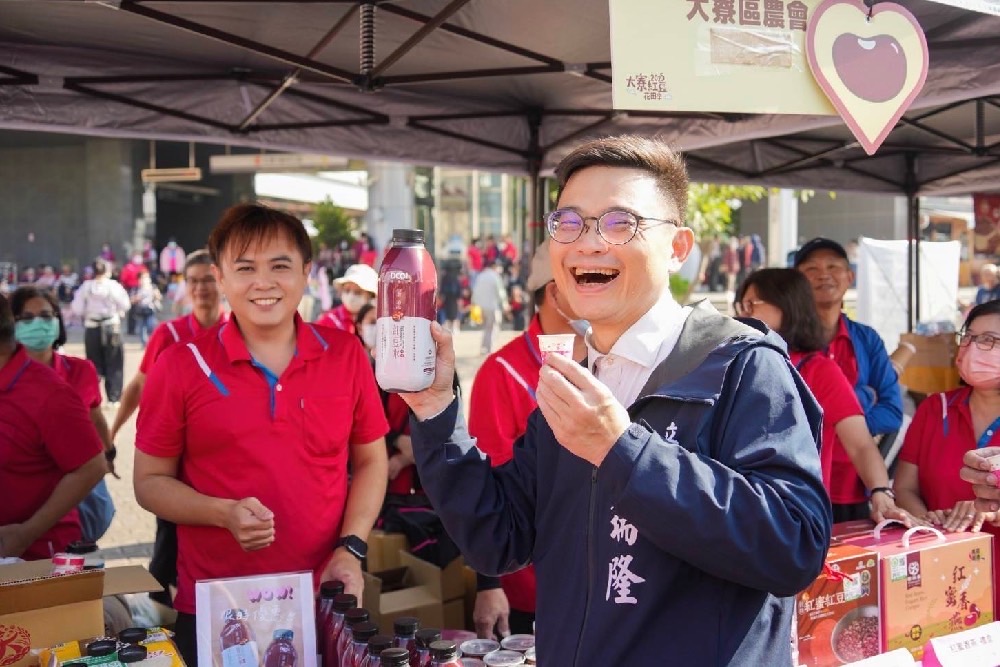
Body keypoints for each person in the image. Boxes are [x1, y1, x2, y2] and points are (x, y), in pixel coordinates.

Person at [400, 136, 831, 665]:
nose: (587, 243)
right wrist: (436, 411)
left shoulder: (741, 365)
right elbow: (499, 538)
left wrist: (622, 450)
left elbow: (794, 546)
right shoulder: (577, 380)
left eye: (619, 222)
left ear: (677, 247)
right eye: (570, 223)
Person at [133, 204, 389, 667]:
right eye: (245, 268)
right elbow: (149, 482)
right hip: (219, 606)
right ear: (220, 277)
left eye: (280, 266)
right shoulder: (180, 366)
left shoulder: (346, 354)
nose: (263, 282)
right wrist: (221, 512)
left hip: (325, 598)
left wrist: (351, 547)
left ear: (307, 273)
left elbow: (372, 461)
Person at [469, 240, 587, 640]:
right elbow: (488, 488)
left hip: (613, 584)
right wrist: (489, 584)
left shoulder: (613, 359)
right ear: (554, 291)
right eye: (587, 279)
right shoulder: (500, 372)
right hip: (533, 591)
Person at [734, 269, 912, 526]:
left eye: (752, 304)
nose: (743, 314)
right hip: (742, 507)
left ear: (787, 305)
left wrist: (881, 491)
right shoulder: (738, 362)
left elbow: (860, 444)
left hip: (795, 514)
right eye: (741, 305)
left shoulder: (819, 371)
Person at [111, 249, 222, 609]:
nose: (202, 288)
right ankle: (160, 617)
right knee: (168, 539)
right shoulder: (169, 333)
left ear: (221, 280)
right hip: (172, 459)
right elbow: (138, 387)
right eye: (194, 281)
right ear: (184, 287)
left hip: (217, 459)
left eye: (208, 279)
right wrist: (110, 434)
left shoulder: (239, 330)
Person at [795, 237, 903, 522]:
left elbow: (893, 412)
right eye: (812, 269)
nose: (824, 275)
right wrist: (863, 398)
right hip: (800, 484)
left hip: (859, 484)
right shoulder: (786, 342)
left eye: (833, 266)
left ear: (849, 277)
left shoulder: (867, 340)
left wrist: (838, 420)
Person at [0, 292, 106, 559]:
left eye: (46, 316)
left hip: (35, 557)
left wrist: (27, 532)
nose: (39, 324)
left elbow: (92, 466)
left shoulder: (49, 393)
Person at [899, 301, 1000, 534]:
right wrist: (927, 520)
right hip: (942, 560)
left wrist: (990, 510)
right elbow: (904, 488)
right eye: (969, 336)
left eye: (988, 339)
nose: (972, 347)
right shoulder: (935, 408)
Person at [71, 258, 130, 405]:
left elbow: (77, 308)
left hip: (92, 326)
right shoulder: (113, 286)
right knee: (114, 363)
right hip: (111, 326)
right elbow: (125, 304)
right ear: (107, 271)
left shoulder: (86, 287)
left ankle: (93, 398)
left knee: (93, 365)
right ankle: (114, 398)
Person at [316, 263, 378, 335]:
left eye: (357, 292)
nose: (351, 296)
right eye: (347, 290)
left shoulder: (377, 322)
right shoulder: (330, 320)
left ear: (370, 296)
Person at [471, 258, 508, 354]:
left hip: (481, 307)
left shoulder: (481, 276)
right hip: (492, 306)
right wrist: (504, 304)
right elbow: (500, 293)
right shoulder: (495, 276)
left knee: (486, 328)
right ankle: (490, 348)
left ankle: (484, 347)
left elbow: (475, 292)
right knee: (492, 328)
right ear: (495, 267)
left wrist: (475, 303)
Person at [131, 271, 162, 347]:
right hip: (140, 311)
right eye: (142, 278)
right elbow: (131, 300)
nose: (144, 280)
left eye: (146, 277)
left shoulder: (153, 287)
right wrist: (138, 298)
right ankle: (145, 344)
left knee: (151, 326)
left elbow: (159, 297)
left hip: (150, 310)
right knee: (142, 328)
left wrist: (156, 295)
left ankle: (151, 342)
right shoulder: (136, 288)